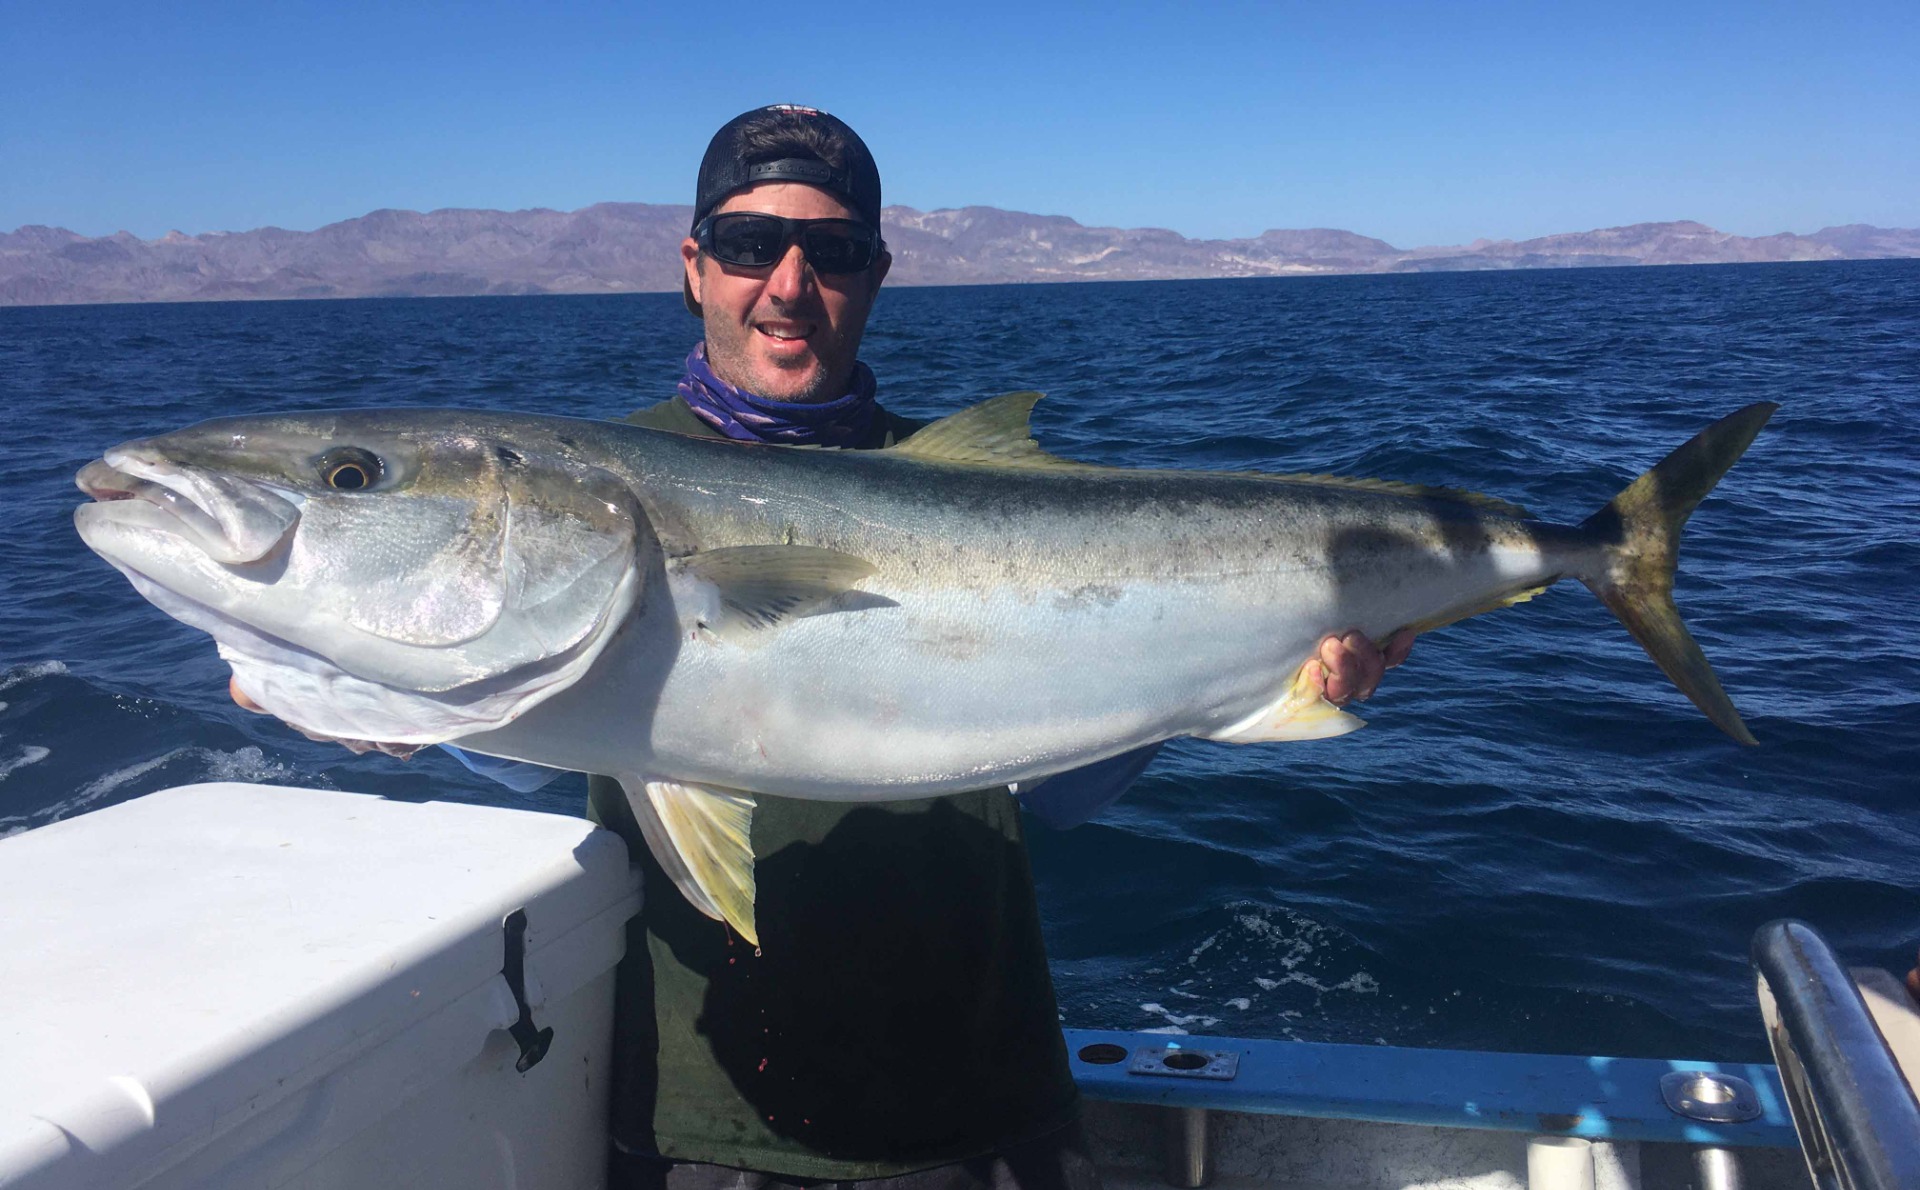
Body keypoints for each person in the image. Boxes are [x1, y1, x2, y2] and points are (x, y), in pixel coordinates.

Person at [236, 104, 1412, 1190]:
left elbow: (1054, 791)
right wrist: (396, 698)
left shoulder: (971, 480)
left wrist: (1244, 673)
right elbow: (529, 722)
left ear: (878, 278)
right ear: (693, 261)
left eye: (835, 253)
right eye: (750, 243)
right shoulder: (589, 481)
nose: (789, 285)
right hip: (712, 1117)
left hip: (991, 1101)